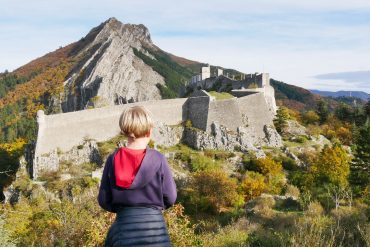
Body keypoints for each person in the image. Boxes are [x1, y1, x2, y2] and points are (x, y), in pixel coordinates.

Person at [98, 105, 177, 247]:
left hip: (123, 231)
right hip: (155, 232)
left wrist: (123, 211)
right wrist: (154, 208)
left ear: (124, 131)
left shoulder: (113, 159)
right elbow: (170, 197)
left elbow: (104, 200)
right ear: (149, 131)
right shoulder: (158, 159)